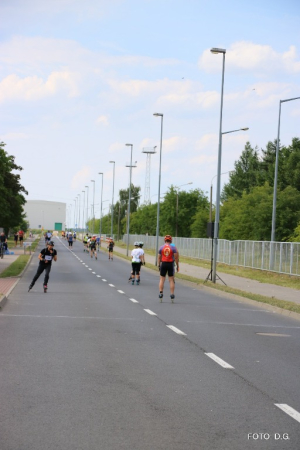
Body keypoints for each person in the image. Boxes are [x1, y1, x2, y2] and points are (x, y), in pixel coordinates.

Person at [157, 235, 179, 302]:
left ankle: (161, 293)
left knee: (162, 279)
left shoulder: (161, 247)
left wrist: (159, 265)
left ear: (165, 240)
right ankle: (172, 294)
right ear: (171, 240)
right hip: (170, 264)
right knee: (171, 280)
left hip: (163, 263)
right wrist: (177, 265)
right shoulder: (173, 247)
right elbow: (176, 258)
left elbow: (159, 257)